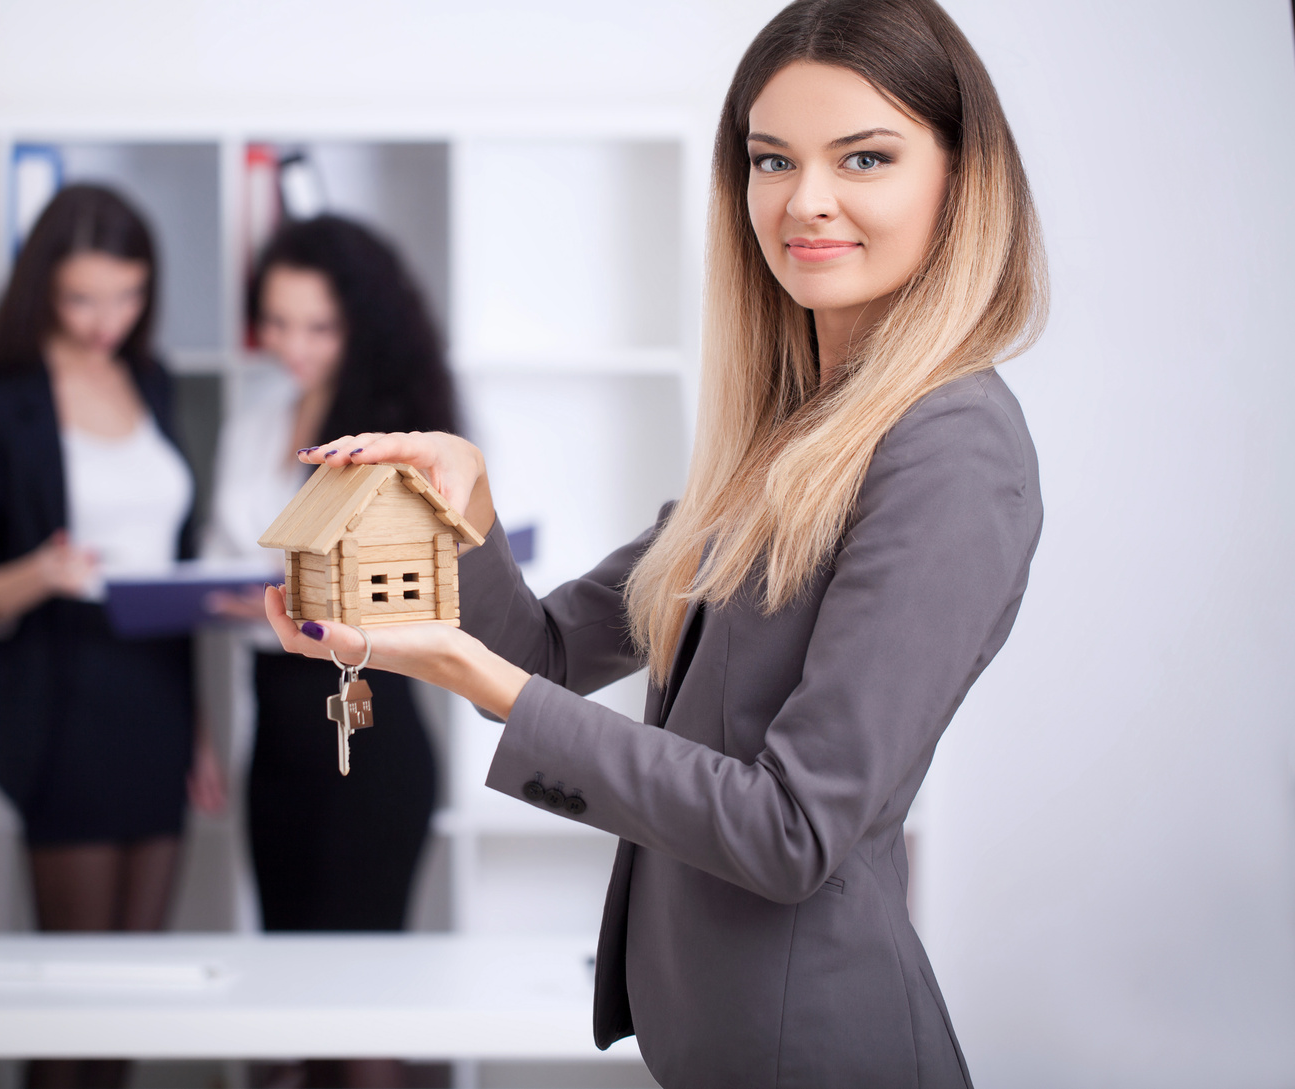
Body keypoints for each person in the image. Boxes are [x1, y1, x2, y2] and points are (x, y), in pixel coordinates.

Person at [263, 0, 1047, 1085]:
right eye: (773, 161)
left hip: (819, 1050)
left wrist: (478, 682)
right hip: (714, 1045)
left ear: (962, 181)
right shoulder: (792, 438)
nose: (806, 202)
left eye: (865, 157)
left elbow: (791, 830)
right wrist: (472, 517)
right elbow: (547, 656)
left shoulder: (951, 451)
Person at [0, 184, 225, 1089]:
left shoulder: (153, 377)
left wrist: (202, 729)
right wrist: (41, 571)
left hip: (156, 690)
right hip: (61, 700)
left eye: (129, 295)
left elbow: (174, 557)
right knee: (71, 994)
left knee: (129, 997)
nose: (109, 320)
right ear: (41, 290)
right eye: (83, 299)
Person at [205, 214, 458, 1088]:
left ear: (362, 323)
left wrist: (298, 586)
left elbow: (424, 584)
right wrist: (240, 592)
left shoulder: (399, 429)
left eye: (317, 326)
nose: (292, 346)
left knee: (360, 1013)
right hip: (273, 732)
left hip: (368, 727)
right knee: (293, 1004)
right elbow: (212, 555)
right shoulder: (254, 421)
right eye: (276, 322)